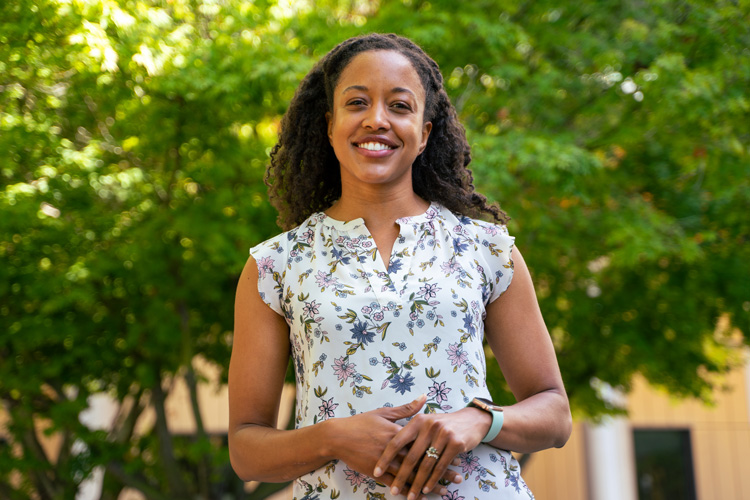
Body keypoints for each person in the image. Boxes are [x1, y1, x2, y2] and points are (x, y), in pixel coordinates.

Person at [229, 33, 571, 500]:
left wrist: (478, 419)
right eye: (357, 103)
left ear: (425, 133)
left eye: (400, 106)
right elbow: (247, 450)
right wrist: (333, 437)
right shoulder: (274, 266)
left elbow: (555, 414)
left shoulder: (487, 249)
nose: (376, 120)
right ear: (329, 126)